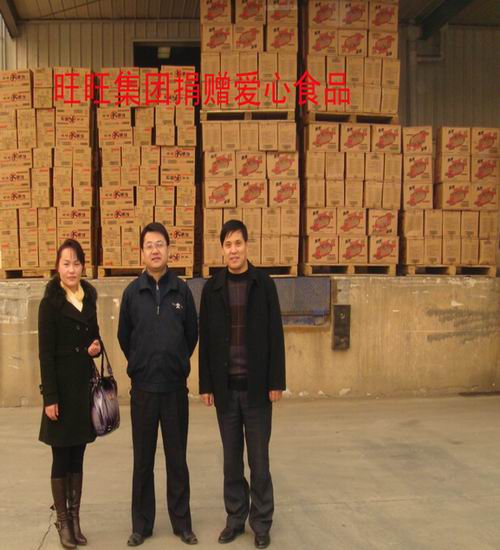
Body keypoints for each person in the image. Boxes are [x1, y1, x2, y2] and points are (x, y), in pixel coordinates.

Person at [199, 220, 286, 550]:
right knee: (232, 461)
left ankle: (261, 522)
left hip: (257, 389)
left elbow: (275, 335)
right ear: (221, 249)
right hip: (226, 390)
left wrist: (276, 381)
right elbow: (206, 340)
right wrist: (206, 385)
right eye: (228, 244)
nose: (233, 250)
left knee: (259, 461)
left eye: (238, 243)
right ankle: (235, 518)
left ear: (247, 245)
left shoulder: (263, 285)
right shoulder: (213, 289)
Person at [118, 222, 199, 547]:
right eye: (149, 245)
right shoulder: (131, 293)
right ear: (142, 252)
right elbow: (124, 337)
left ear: (168, 250)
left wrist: (175, 361)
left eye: (160, 244)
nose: (155, 250)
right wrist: (141, 363)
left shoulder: (181, 291)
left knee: (177, 459)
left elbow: (191, 335)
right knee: (143, 461)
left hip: (174, 389)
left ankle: (182, 524)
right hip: (144, 390)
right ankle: (141, 525)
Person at [38, 239, 102, 549]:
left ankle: (75, 519)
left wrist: (95, 346)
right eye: (66, 263)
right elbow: (45, 354)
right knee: (61, 456)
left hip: (82, 390)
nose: (72, 269)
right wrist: (50, 397)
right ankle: (63, 521)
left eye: (76, 263)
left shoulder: (88, 298)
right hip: (61, 392)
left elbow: (95, 337)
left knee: (78, 455)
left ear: (83, 266)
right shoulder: (50, 303)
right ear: (58, 267)